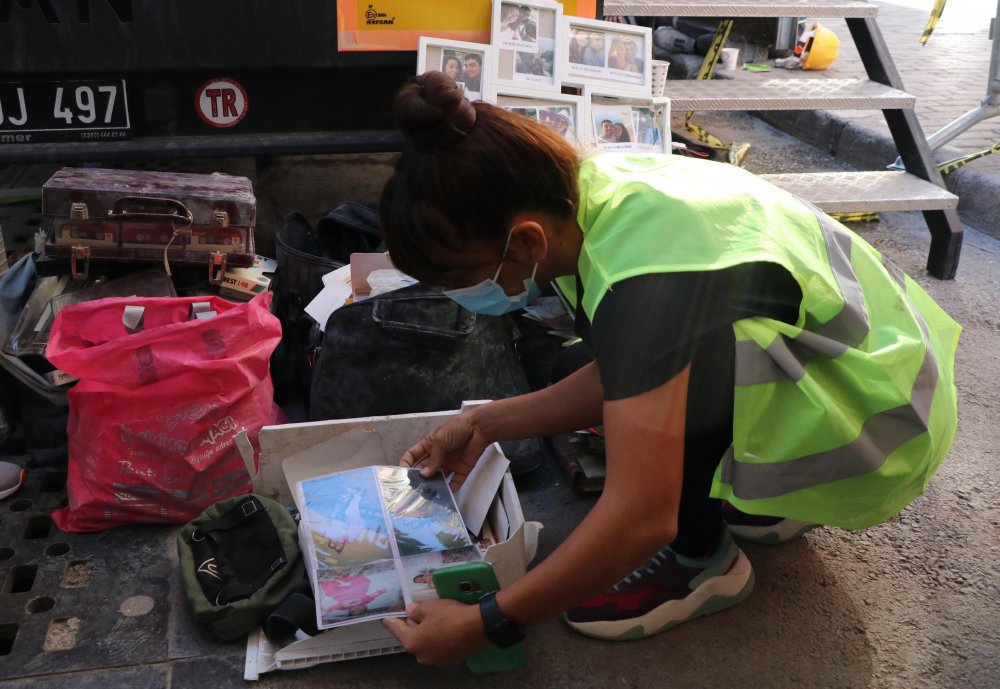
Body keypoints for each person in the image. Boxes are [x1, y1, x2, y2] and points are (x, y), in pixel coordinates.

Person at [379, 71, 960, 666]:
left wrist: (487, 621)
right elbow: (620, 372)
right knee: (605, 360)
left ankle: (701, 560)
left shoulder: (649, 281)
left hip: (884, 427)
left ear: (525, 241)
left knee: (667, 380)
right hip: (871, 364)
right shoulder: (589, 192)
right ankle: (764, 499)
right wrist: (482, 426)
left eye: (457, 278)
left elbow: (640, 516)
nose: (458, 295)